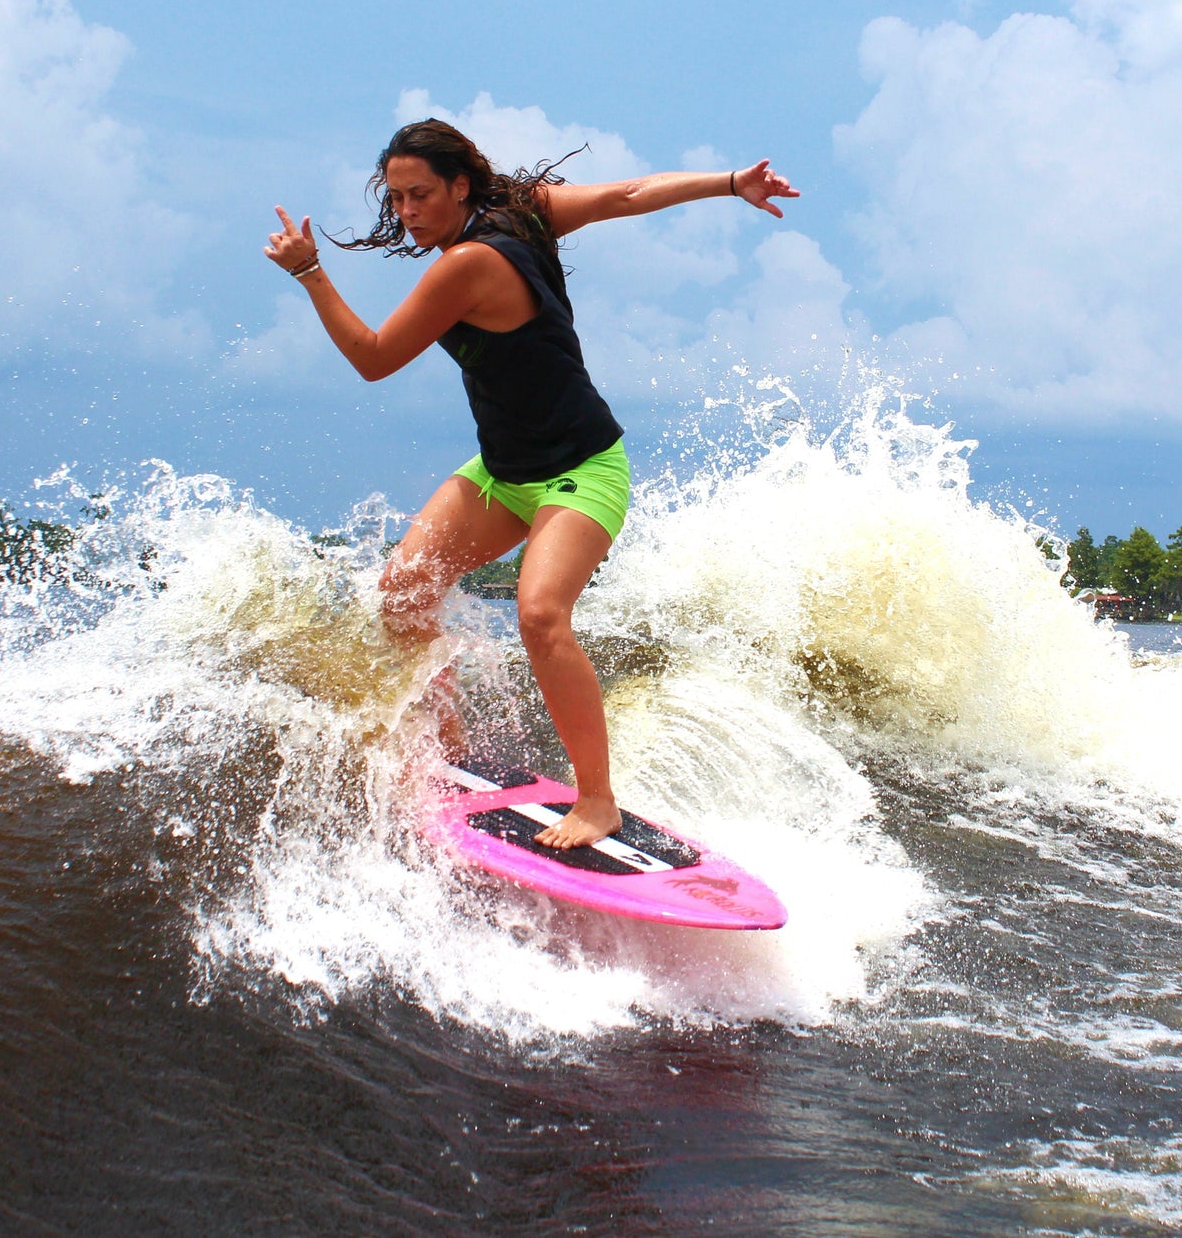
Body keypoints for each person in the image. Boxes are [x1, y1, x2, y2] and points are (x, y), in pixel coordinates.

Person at [264, 119, 798, 848]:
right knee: (404, 591)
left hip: (581, 470)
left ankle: (598, 800)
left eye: (421, 194)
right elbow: (626, 196)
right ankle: (449, 746)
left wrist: (310, 273)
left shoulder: (467, 263)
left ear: (460, 186)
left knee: (541, 615)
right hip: (503, 472)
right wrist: (731, 183)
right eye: (397, 199)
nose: (408, 211)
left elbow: (374, 357)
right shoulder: (523, 209)